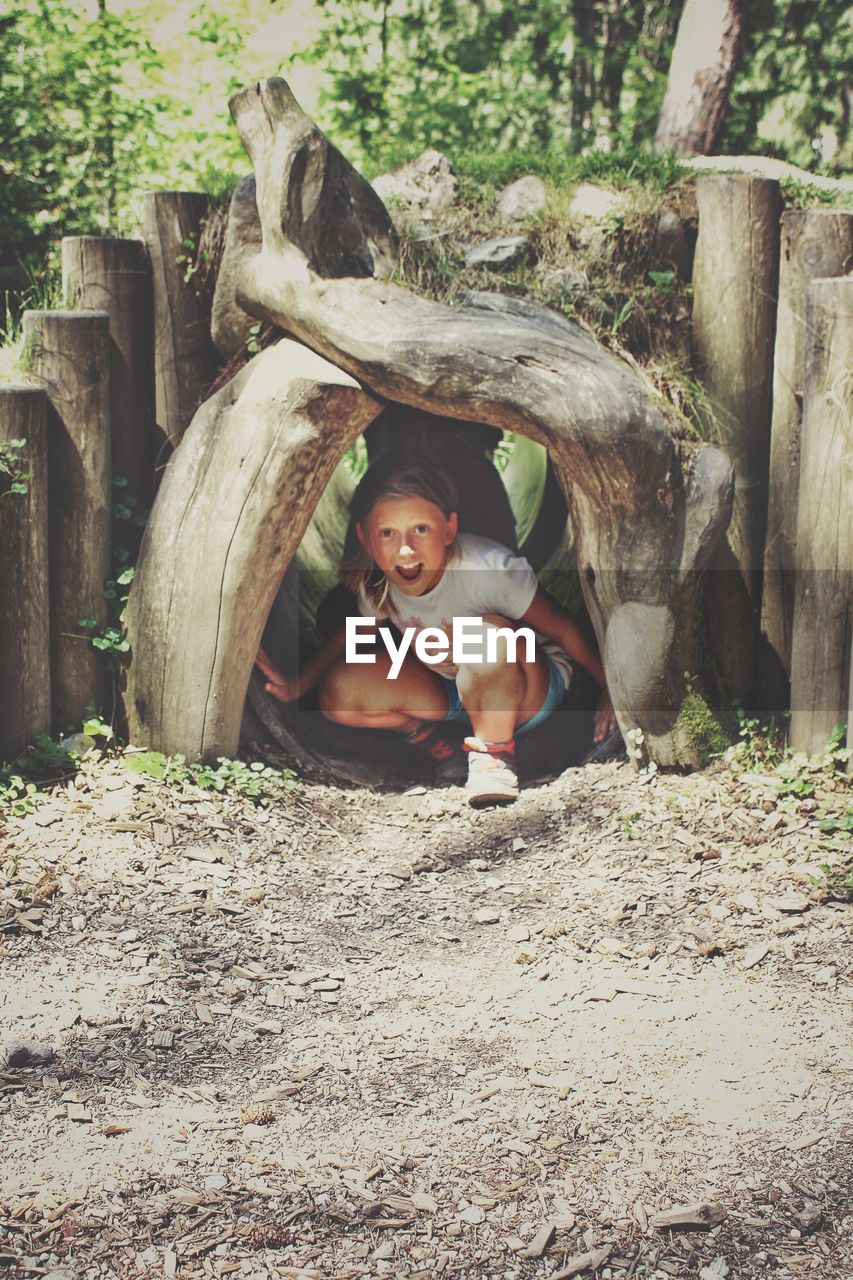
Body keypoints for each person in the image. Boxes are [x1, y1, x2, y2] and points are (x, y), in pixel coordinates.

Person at [256, 454, 616, 806]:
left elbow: (566, 630)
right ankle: (434, 741)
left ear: (449, 529)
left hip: (524, 690)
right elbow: (352, 638)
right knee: (340, 693)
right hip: (452, 690)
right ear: (365, 539)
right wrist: (301, 683)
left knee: (480, 633)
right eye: (387, 533)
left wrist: (610, 690)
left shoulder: (488, 569)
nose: (406, 549)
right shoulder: (377, 583)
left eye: (421, 529)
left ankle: (493, 757)